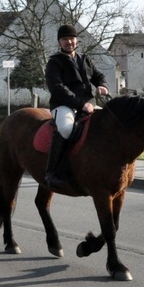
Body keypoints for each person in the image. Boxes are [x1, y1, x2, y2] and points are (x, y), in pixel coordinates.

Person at [44, 24, 109, 189]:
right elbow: (57, 88)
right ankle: (51, 173)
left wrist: (102, 85)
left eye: (71, 38)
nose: (69, 42)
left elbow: (98, 75)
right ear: (59, 42)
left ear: (76, 40)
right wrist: (81, 104)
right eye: (64, 39)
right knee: (66, 128)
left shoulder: (85, 59)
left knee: (108, 124)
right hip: (63, 105)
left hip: (88, 105)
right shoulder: (54, 62)